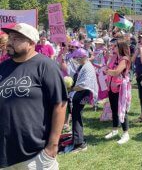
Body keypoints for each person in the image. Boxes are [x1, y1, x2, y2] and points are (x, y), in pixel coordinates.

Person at [0, 23, 67, 169]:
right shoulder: (3, 67)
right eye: (10, 37)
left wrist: (52, 146)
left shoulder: (46, 66)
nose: (10, 41)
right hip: (5, 154)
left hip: (35, 155)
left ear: (31, 43)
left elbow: (60, 104)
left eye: (16, 38)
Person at [66, 48, 98, 153]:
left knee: (76, 117)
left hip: (82, 94)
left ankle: (80, 144)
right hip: (79, 93)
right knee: (76, 116)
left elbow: (84, 85)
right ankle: (77, 139)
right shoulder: (83, 65)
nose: (76, 60)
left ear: (82, 57)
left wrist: (72, 89)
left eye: (77, 58)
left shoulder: (87, 67)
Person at [104, 38, 132, 145]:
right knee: (114, 109)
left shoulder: (124, 59)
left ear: (120, 47)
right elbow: (108, 67)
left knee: (122, 110)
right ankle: (115, 129)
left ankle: (126, 133)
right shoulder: (114, 57)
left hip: (121, 88)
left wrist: (108, 71)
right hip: (111, 86)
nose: (112, 47)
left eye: (115, 46)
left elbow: (116, 72)